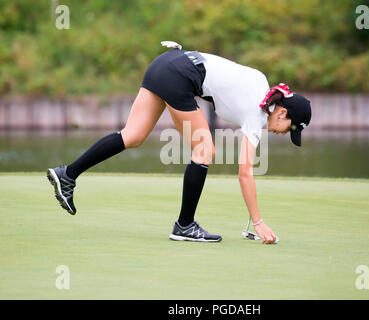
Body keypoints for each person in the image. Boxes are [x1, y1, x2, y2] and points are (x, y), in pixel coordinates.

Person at [47, 41, 311, 244]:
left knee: (133, 136)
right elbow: (245, 174)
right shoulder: (256, 117)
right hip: (180, 75)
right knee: (205, 149)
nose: (284, 133)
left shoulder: (261, 81)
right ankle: (185, 226)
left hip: (167, 63)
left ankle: (68, 174)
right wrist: (258, 222)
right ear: (283, 112)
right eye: (290, 129)